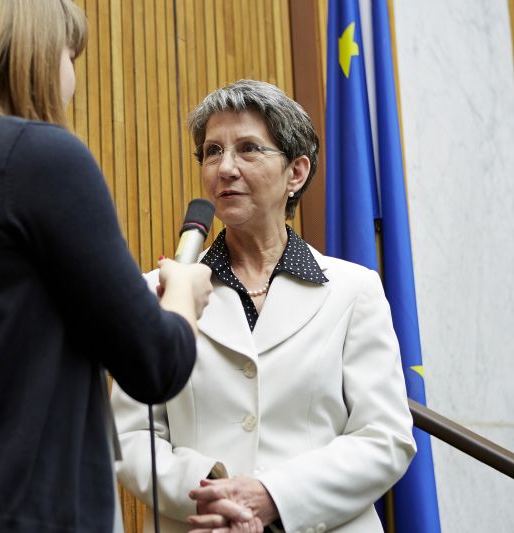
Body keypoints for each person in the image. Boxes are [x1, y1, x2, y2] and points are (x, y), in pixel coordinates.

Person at [0, 1, 213, 532]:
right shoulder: (41, 156)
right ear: (37, 52)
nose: (73, 79)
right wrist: (184, 292)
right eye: (72, 56)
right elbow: (158, 364)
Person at [111, 79, 416, 533]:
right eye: (212, 151)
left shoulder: (354, 290)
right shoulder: (159, 290)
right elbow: (132, 437)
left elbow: (385, 437)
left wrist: (273, 495)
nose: (224, 168)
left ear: (296, 173)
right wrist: (214, 491)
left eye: (248, 149)